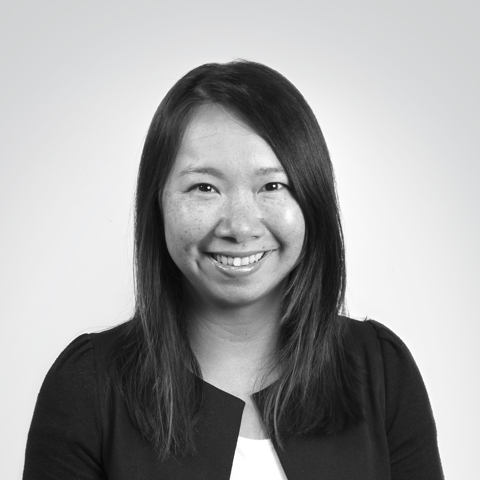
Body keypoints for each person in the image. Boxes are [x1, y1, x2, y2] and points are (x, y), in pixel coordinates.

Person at [23, 60, 444, 479]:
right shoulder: (86, 387)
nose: (240, 227)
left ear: (312, 200)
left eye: (273, 185)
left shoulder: (381, 371)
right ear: (158, 203)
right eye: (204, 187)